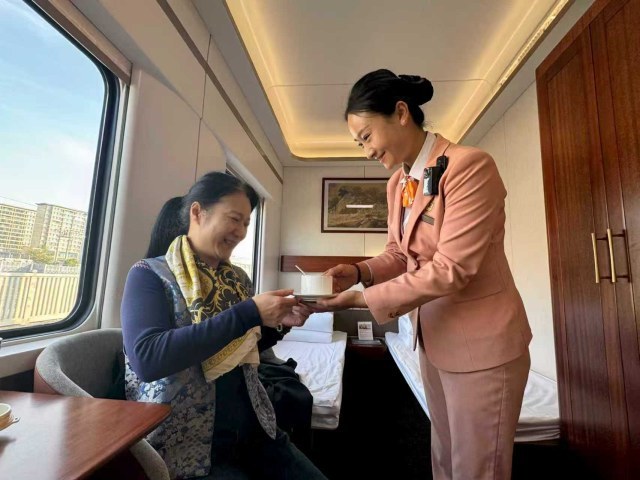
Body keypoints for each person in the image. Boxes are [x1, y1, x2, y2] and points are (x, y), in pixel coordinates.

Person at [318, 69, 532, 480]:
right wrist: (360, 271)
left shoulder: (468, 167)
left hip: (482, 346)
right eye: (359, 143)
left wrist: (362, 299)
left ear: (401, 113)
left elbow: (453, 268)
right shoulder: (399, 183)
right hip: (433, 340)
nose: (366, 151)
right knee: (445, 460)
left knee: (477, 470)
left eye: (367, 136)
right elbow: (400, 253)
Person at [122, 172, 327, 480]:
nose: (241, 232)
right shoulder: (149, 275)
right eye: (234, 219)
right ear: (197, 212)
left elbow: (239, 350)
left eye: (246, 223)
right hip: (190, 444)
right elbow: (148, 360)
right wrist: (249, 312)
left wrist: (278, 326)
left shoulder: (237, 279)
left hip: (255, 429)